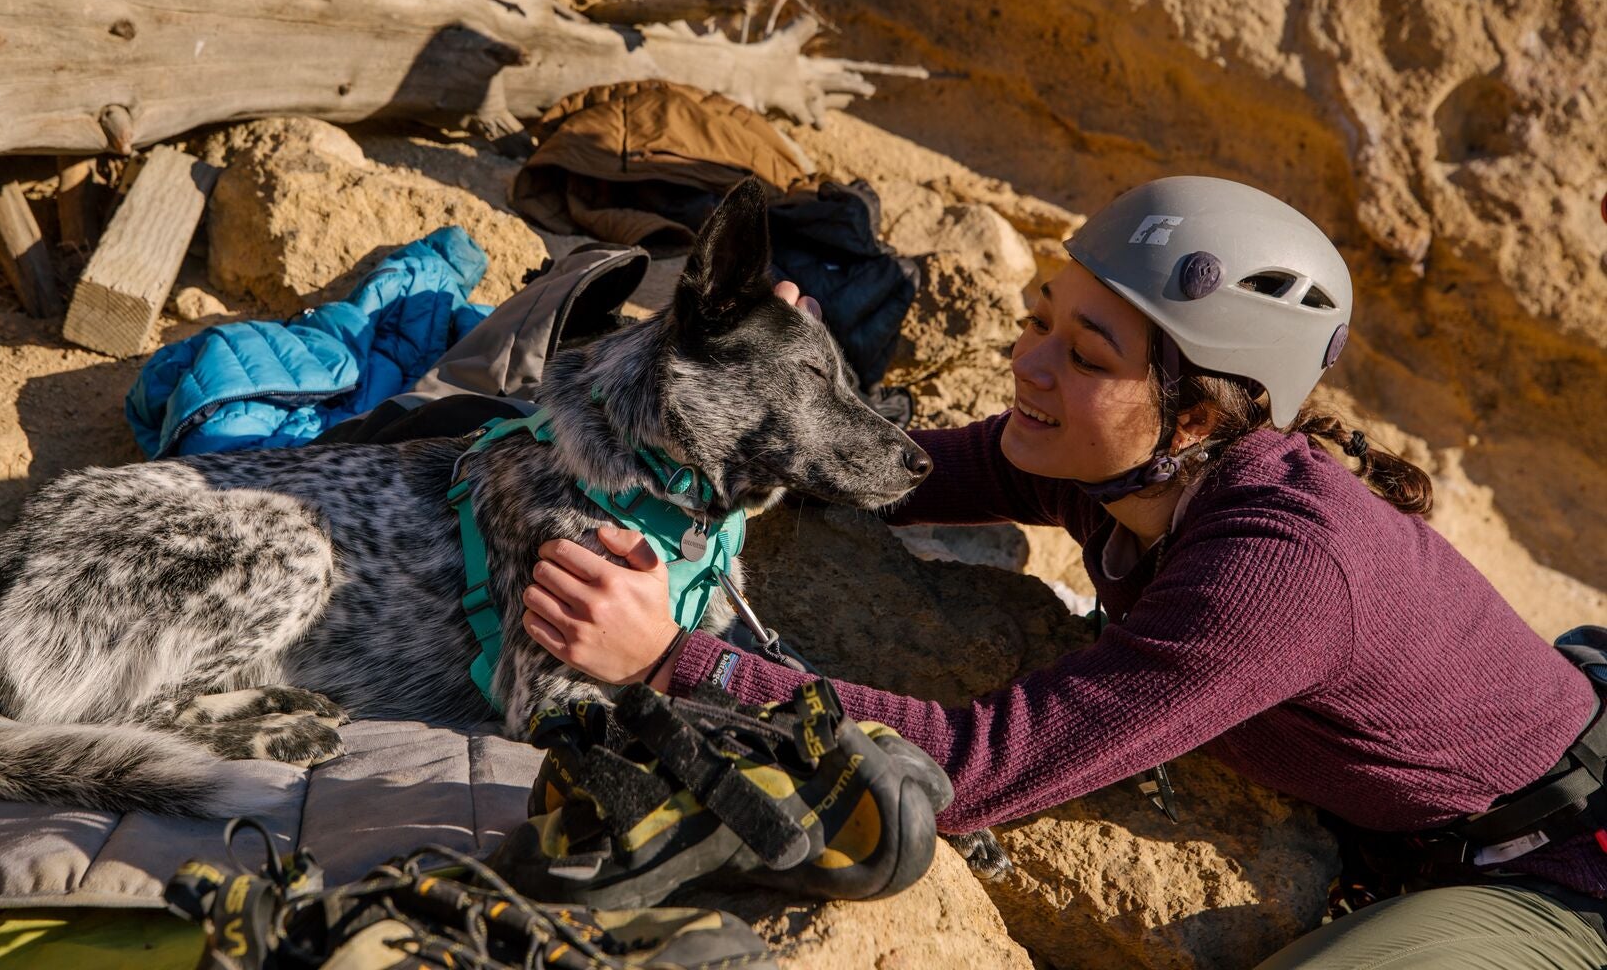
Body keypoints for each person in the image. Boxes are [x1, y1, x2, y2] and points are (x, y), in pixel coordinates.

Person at [517, 175, 1607, 967]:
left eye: (1086, 356)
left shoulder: (1276, 574)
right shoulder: (1109, 462)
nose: (1027, 365)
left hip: (1559, 872)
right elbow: (887, 476)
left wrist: (676, 659)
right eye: (1041, 319)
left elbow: (973, 771)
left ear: (1197, 414)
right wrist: (760, 381)